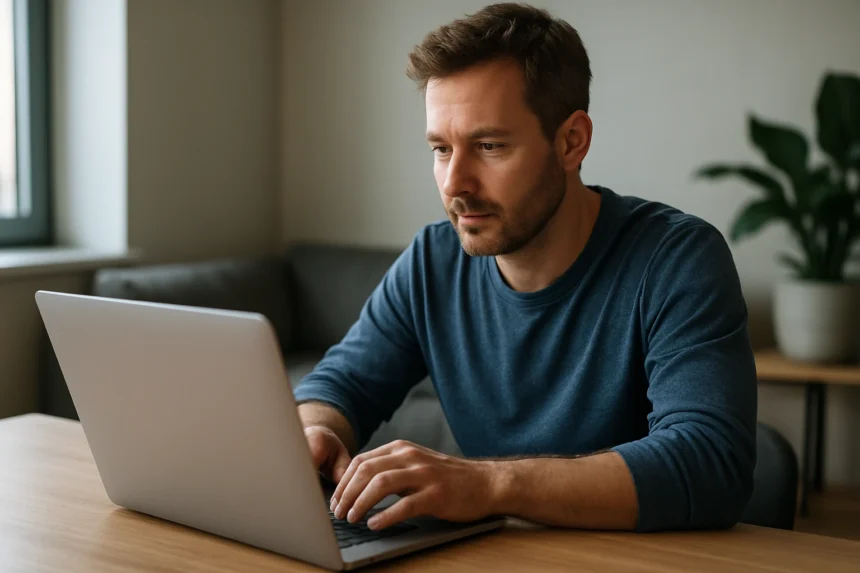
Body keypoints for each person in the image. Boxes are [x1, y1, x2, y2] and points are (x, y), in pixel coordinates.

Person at [293, 2, 757, 533]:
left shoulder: (677, 260)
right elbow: (338, 385)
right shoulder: (431, 263)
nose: (454, 184)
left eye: (489, 146)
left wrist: (488, 484)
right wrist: (316, 432)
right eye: (441, 149)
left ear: (571, 141)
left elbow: (710, 464)